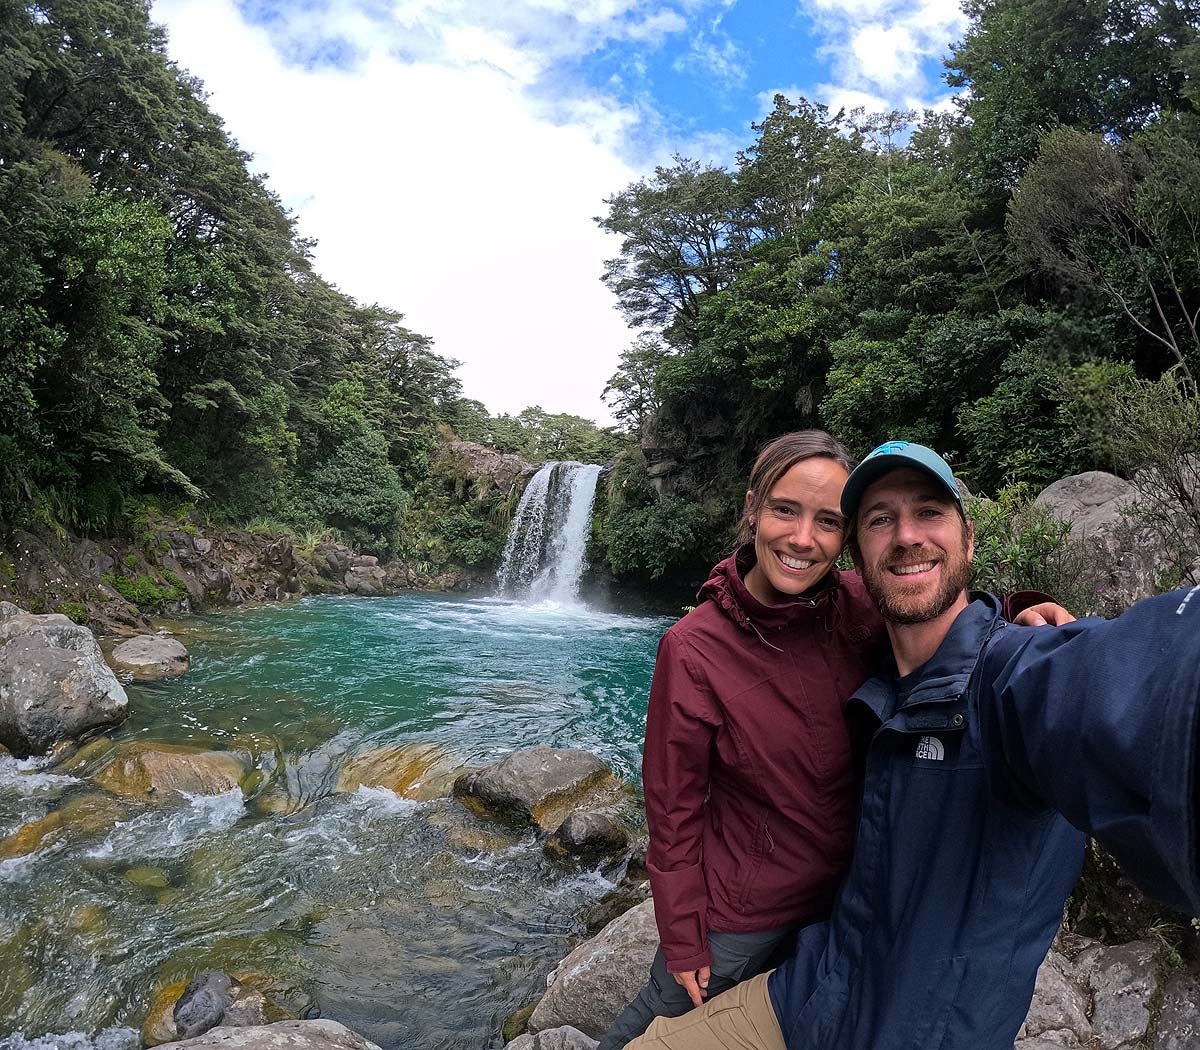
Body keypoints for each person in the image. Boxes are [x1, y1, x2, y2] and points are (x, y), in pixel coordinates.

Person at [624, 439, 1200, 1050]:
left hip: (878, 985)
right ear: (753, 510)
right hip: (790, 951)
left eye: (929, 512)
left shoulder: (873, 617)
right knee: (652, 1020)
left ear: (968, 538)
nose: (802, 539)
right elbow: (673, 803)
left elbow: (1097, 683)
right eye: (879, 520)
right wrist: (684, 931)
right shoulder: (698, 647)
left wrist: (1023, 616)